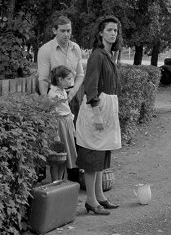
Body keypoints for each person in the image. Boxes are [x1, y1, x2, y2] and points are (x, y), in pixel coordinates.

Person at [75, 15, 123, 215]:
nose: (113, 33)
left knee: (102, 156)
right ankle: (91, 201)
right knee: (93, 157)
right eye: (109, 30)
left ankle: (100, 197)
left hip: (107, 108)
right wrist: (97, 115)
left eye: (115, 30)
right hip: (97, 109)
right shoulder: (97, 54)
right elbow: (91, 87)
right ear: (100, 32)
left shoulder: (106, 54)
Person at [37, 15, 84, 182]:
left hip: (73, 94)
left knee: (75, 135)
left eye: (69, 30)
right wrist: (47, 101)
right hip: (55, 97)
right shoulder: (45, 50)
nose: (66, 34)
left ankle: (74, 178)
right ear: (54, 31)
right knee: (59, 141)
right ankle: (57, 181)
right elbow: (43, 78)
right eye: (63, 31)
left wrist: (73, 92)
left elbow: (80, 74)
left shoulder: (76, 48)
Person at [47, 65, 78, 181]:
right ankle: (55, 182)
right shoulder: (53, 94)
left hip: (66, 124)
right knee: (57, 157)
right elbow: (52, 115)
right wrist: (55, 134)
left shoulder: (63, 91)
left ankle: (59, 181)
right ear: (60, 79)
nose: (71, 81)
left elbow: (66, 110)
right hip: (59, 126)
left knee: (65, 157)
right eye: (68, 79)